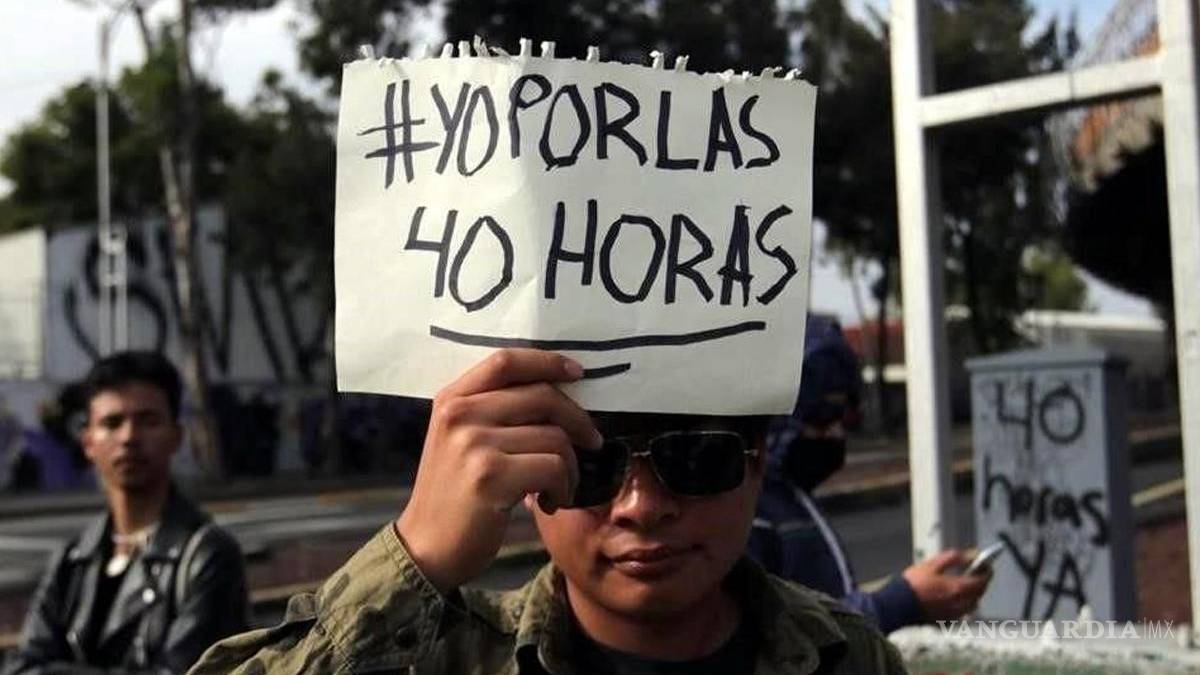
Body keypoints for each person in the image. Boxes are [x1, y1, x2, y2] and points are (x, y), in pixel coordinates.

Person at [188, 349, 904, 674]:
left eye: (697, 456)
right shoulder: (437, 660)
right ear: (529, 477)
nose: (642, 506)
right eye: (591, 463)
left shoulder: (847, 655)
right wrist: (416, 557)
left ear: (757, 462)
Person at [4, 351, 249, 674]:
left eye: (148, 421)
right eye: (112, 423)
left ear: (176, 436)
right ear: (89, 442)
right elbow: (22, 665)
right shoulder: (72, 560)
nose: (129, 437)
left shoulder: (207, 556)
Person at [749, 316, 990, 634]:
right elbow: (780, 641)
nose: (835, 432)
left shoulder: (791, 496)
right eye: (822, 416)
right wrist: (903, 603)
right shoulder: (748, 513)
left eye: (844, 418)